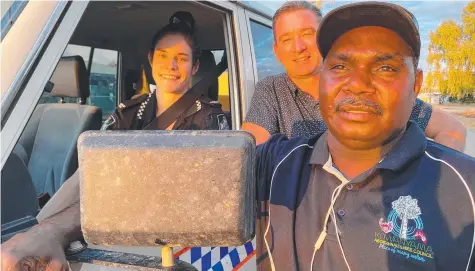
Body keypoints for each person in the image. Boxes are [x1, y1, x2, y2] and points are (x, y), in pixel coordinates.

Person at [254, 2, 475, 270]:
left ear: (416, 85)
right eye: (340, 67)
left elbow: (451, 129)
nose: (357, 84)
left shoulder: (466, 194)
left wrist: (432, 181)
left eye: (385, 68)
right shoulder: (273, 165)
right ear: (322, 76)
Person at [1, 11, 229, 271]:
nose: (171, 66)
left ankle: (45, 234)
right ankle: (38, 235)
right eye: (163, 56)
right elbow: (93, 173)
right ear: (151, 59)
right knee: (89, 165)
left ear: (195, 67)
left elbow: (194, 193)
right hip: (109, 217)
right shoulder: (129, 111)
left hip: (162, 228)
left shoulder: (209, 118)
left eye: (182, 58)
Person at [241, 1, 467, 152]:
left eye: (307, 34)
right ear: (277, 50)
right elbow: (251, 149)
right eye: (287, 39)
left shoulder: (367, 89)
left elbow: (453, 130)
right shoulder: (270, 89)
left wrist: (428, 181)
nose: (298, 47)